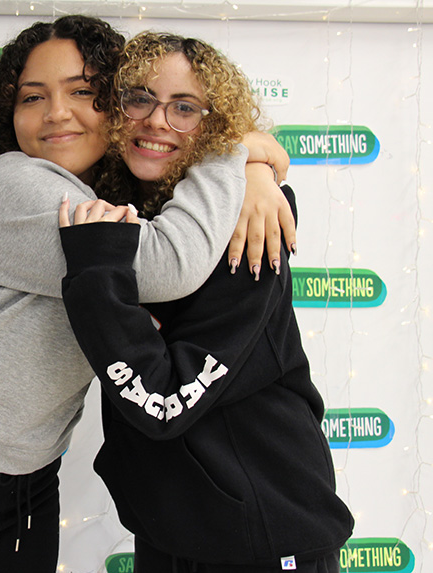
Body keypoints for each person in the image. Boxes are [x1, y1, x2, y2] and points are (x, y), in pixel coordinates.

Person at [0, 16, 292, 573]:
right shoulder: (15, 184)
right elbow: (167, 266)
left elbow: (125, 288)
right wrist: (236, 152)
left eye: (82, 91)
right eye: (32, 97)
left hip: (29, 478)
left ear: (115, 105)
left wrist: (256, 166)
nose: (56, 112)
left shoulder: (107, 197)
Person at [59, 32, 354, 572]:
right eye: (140, 98)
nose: (157, 121)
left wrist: (98, 273)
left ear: (215, 124)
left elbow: (166, 400)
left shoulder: (249, 219)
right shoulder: (123, 207)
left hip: (263, 527)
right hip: (172, 526)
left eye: (185, 108)